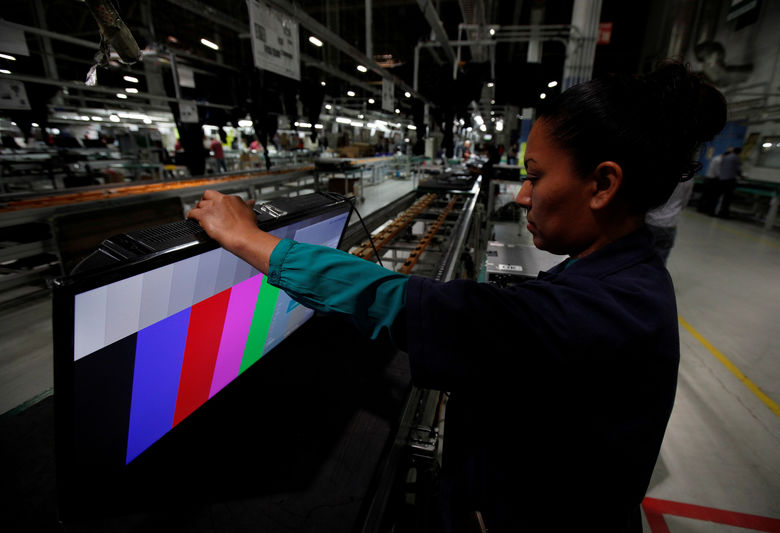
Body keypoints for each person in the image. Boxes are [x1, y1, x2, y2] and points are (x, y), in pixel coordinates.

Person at [188, 61, 726, 531]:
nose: (521, 195)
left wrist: (250, 240)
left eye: (536, 177)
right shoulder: (623, 278)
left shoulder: (598, 314)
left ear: (603, 185)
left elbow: (400, 302)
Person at [646, 177, 695, 263]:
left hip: (650, 221)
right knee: (661, 259)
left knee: (641, 255)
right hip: (669, 224)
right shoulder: (688, 178)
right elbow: (684, 202)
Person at [717, 147, 742, 218]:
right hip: (729, 180)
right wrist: (741, 176)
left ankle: (714, 211)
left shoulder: (726, 157)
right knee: (727, 198)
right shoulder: (736, 158)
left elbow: (721, 167)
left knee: (718, 196)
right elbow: (738, 170)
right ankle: (723, 213)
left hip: (721, 179)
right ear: (739, 153)